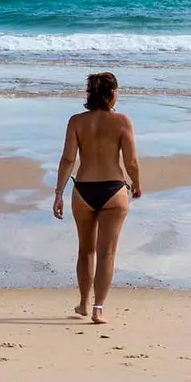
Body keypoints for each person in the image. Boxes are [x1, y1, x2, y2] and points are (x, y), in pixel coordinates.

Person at [52, 72, 141, 324]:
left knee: (86, 250)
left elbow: (68, 159)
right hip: (114, 190)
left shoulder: (76, 122)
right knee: (107, 253)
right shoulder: (123, 121)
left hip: (83, 190)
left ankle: (83, 301)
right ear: (112, 93)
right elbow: (131, 161)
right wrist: (137, 183)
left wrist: (58, 192)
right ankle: (98, 308)